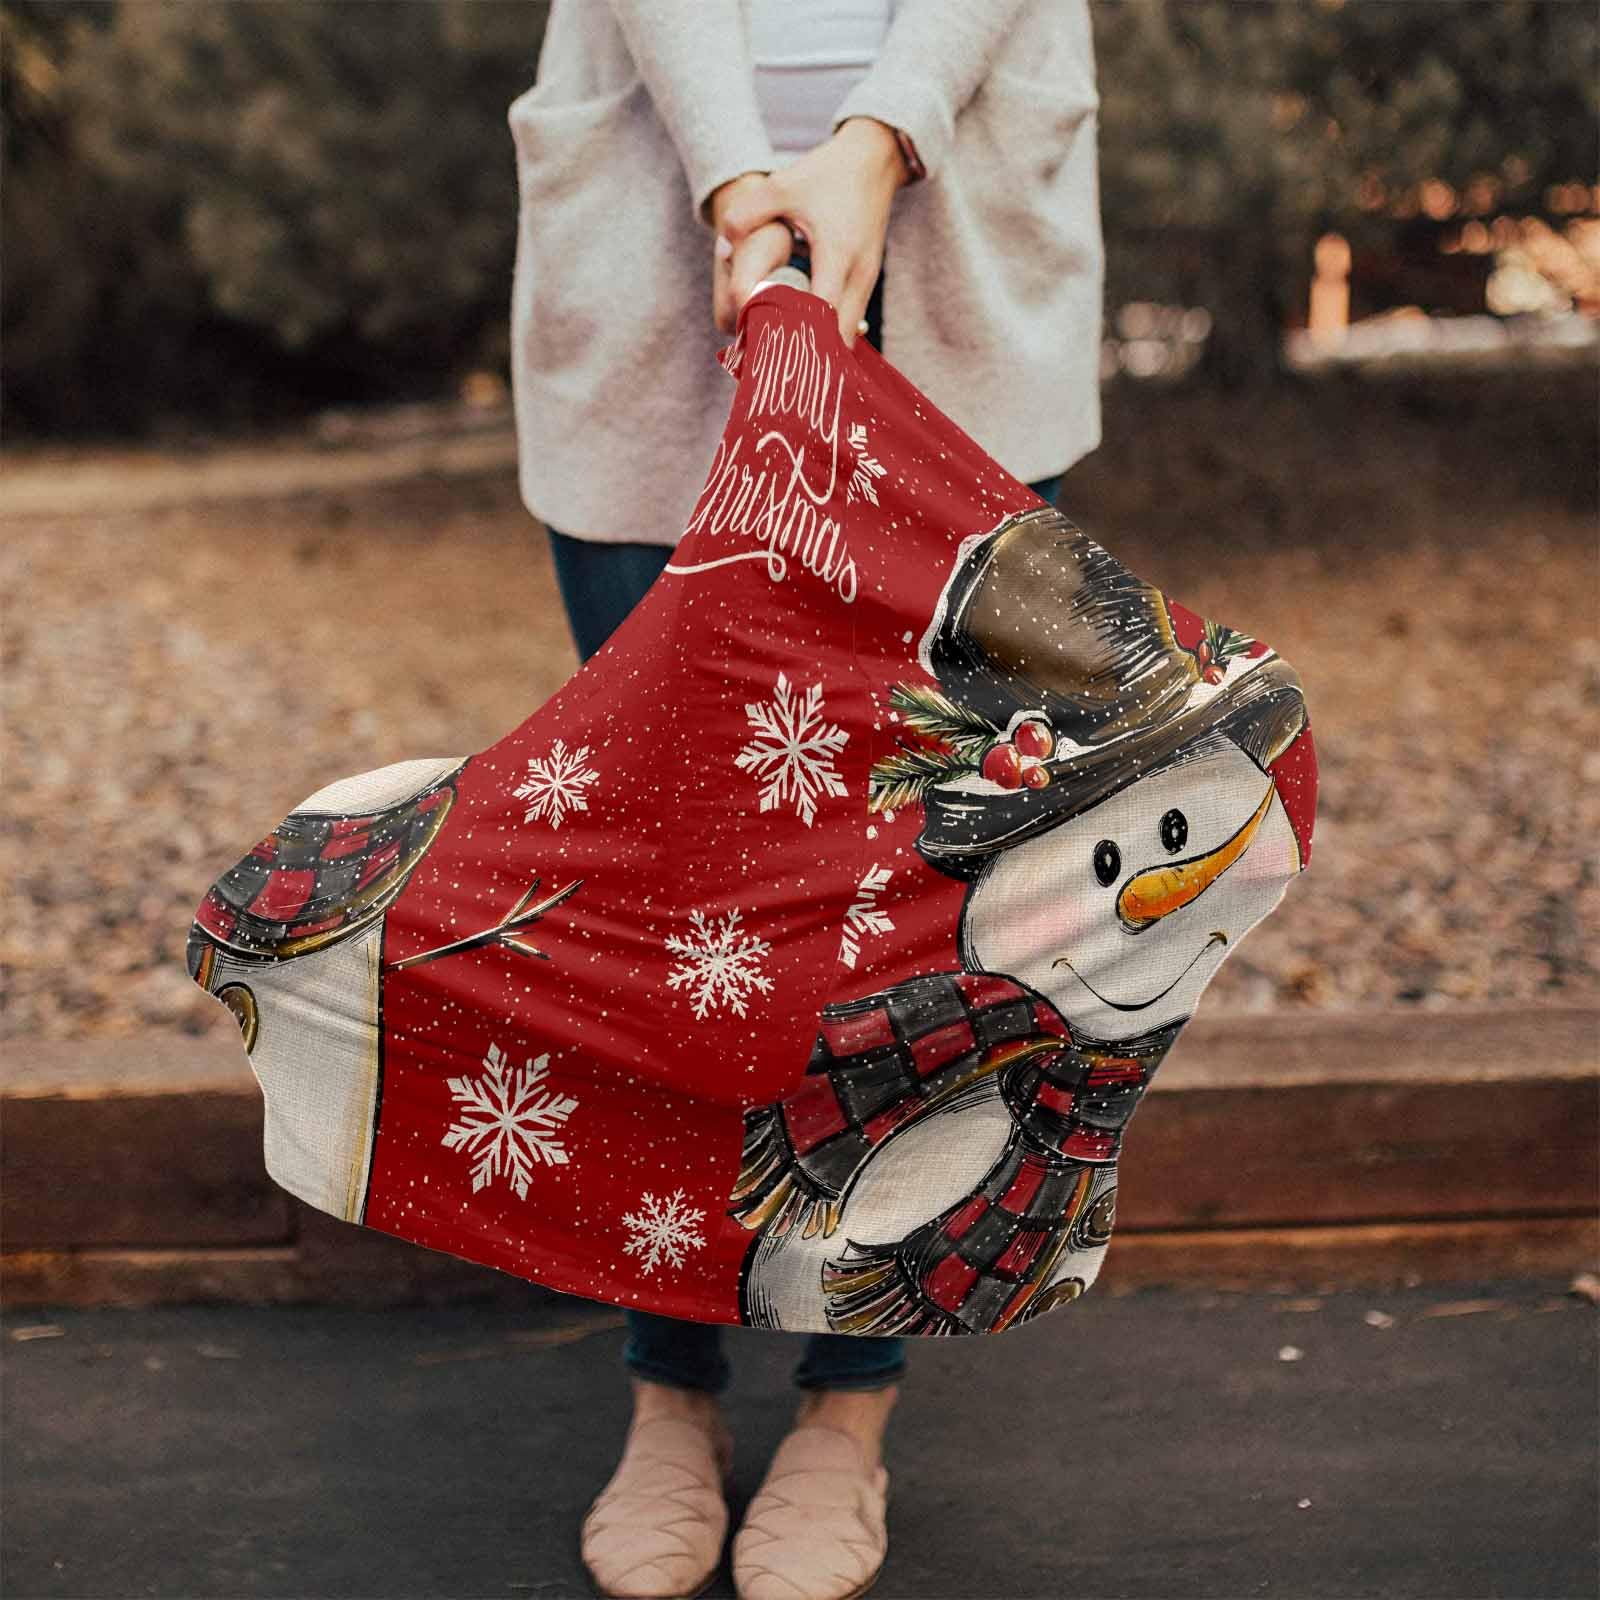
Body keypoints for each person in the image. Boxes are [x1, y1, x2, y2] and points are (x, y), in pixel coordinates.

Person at [506, 4, 1103, 1596]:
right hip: (659, 226)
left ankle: (849, 1406)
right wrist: (734, 179)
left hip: (958, 229)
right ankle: (670, 1386)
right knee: (668, 880)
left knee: (901, 877)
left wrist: (877, 136)